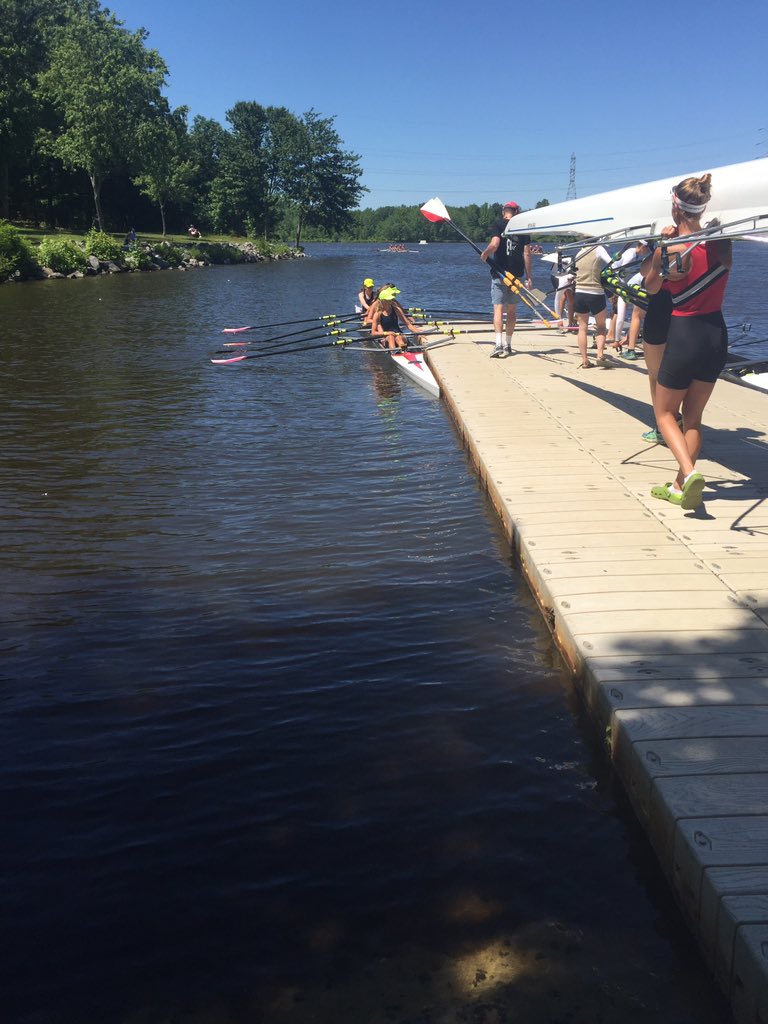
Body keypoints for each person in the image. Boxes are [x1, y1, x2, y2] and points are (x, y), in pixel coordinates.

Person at [645, 173, 732, 510]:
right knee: (693, 418)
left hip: (684, 332)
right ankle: (681, 486)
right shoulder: (722, 242)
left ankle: (689, 471)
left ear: (675, 207)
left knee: (665, 413)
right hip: (716, 331)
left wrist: (659, 250)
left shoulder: (671, 248)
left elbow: (651, 287)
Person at [480, 201, 532, 358]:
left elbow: (495, 244)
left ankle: (498, 344)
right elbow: (527, 254)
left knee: (498, 309)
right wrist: (529, 277)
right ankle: (508, 345)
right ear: (517, 212)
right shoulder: (523, 227)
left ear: (504, 211)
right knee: (511, 310)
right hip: (516, 275)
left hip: (499, 273)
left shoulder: (498, 224)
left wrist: (485, 254)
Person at [572, 243, 612, 368]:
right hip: (595, 293)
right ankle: (600, 354)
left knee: (582, 328)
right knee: (601, 326)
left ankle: (585, 360)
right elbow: (612, 263)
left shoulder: (579, 252)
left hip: (579, 293)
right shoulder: (598, 248)